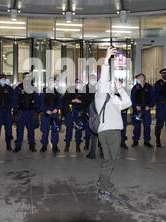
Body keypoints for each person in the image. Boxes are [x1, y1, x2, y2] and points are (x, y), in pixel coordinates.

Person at [95, 46, 132, 203]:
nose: (110, 84)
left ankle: (102, 180)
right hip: (106, 132)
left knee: (111, 160)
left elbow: (128, 102)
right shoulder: (100, 96)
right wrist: (107, 58)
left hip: (116, 132)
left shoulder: (115, 99)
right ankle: (103, 189)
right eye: (109, 84)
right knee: (109, 160)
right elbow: (103, 78)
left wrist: (121, 89)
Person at [13, 72, 38, 153]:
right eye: (25, 77)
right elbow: (15, 101)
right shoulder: (19, 88)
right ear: (23, 78)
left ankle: (32, 146)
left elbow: (37, 100)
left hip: (31, 112)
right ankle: (18, 146)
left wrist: (36, 112)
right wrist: (15, 112)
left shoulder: (33, 88)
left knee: (31, 131)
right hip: (21, 112)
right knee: (19, 131)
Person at [63, 79, 89, 153]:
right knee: (69, 129)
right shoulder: (70, 90)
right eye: (77, 82)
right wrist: (72, 101)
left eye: (80, 83)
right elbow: (64, 101)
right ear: (75, 83)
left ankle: (78, 145)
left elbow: (87, 102)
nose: (78, 84)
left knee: (79, 129)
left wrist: (80, 101)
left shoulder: (84, 92)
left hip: (79, 113)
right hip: (70, 112)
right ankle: (67, 145)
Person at [39, 78, 62, 155]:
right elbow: (41, 103)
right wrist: (46, 110)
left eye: (54, 82)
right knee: (45, 131)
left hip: (54, 114)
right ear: (48, 83)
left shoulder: (57, 92)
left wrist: (57, 108)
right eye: (51, 82)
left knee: (55, 130)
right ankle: (44, 146)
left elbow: (59, 102)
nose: (53, 83)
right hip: (46, 114)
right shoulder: (44, 91)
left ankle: (55, 146)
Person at [131, 73, 154, 148]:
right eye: (139, 77)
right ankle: (135, 141)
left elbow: (153, 98)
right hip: (138, 110)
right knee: (137, 126)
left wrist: (150, 106)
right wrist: (136, 106)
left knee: (147, 126)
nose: (140, 78)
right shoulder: (135, 87)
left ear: (144, 78)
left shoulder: (149, 87)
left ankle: (146, 141)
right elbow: (132, 98)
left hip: (146, 109)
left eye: (141, 77)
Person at [0, 74, 14, 152]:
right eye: (1, 79)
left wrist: (9, 108)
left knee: (8, 129)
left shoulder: (9, 88)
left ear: (5, 79)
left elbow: (12, 100)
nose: (2, 80)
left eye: (3, 79)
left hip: (7, 112)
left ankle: (8, 145)